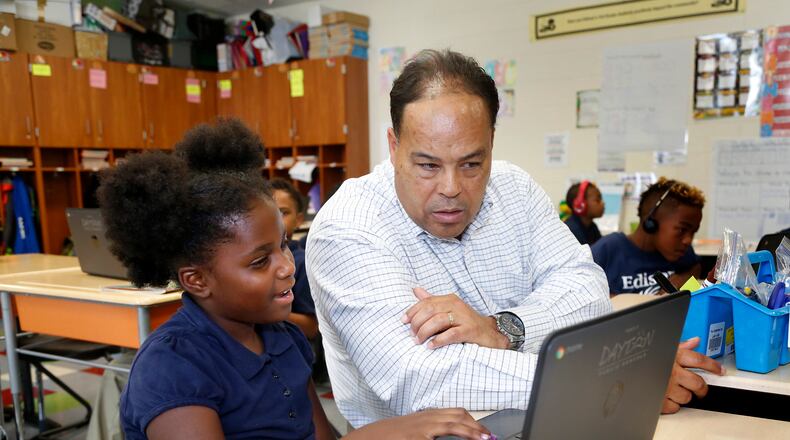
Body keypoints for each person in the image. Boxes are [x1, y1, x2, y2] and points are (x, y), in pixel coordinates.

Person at [306, 49, 724, 428]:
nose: (451, 187)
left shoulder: (514, 189)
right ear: (394, 146)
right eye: (428, 165)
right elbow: (419, 379)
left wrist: (503, 329)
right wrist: (608, 376)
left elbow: (588, 290)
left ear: (491, 143)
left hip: (549, 419)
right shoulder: (349, 227)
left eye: (471, 163)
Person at [100, 119, 491, 440]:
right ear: (197, 280)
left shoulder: (283, 338)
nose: (287, 266)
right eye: (259, 261)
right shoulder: (173, 366)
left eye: (284, 246)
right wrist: (387, 432)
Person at [592, 178, 704, 295]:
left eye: (693, 232)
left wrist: (682, 279)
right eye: (682, 230)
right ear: (651, 223)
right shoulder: (608, 249)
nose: (688, 240)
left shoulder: (679, 252)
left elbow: (696, 267)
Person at [270, 178, 319, 339]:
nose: (275, 219)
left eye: (283, 213)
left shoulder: (302, 263)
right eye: (269, 211)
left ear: (298, 220)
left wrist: (261, 311)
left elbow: (311, 327)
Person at [563, 180, 604, 245]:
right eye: (597, 200)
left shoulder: (592, 227)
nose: (603, 203)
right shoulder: (571, 230)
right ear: (580, 205)